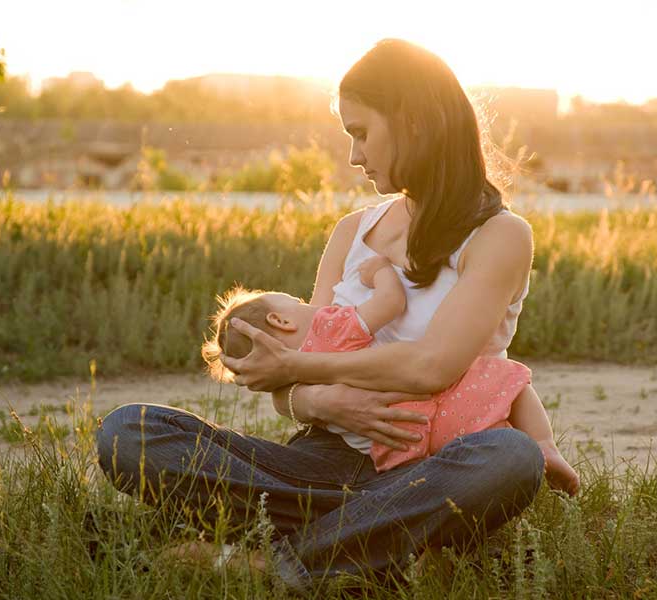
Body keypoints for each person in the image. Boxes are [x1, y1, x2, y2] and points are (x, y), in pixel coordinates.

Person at [96, 38, 556, 591]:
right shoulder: (352, 232)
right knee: (130, 432)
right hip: (317, 464)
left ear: (413, 122)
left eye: (361, 133)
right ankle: (376, 541)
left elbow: (433, 368)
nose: (354, 156)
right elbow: (292, 388)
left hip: (427, 466)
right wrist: (318, 398)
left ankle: (277, 561)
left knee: (510, 457)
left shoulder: (501, 236)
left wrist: (299, 374)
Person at [201, 268, 579, 489]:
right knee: (508, 385)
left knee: (481, 461)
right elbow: (389, 303)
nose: (309, 305)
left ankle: (368, 528)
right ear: (280, 321)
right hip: (445, 401)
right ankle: (544, 445)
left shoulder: (297, 374)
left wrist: (305, 393)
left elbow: (287, 394)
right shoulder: (329, 327)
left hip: (401, 450)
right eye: (297, 304)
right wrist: (381, 271)